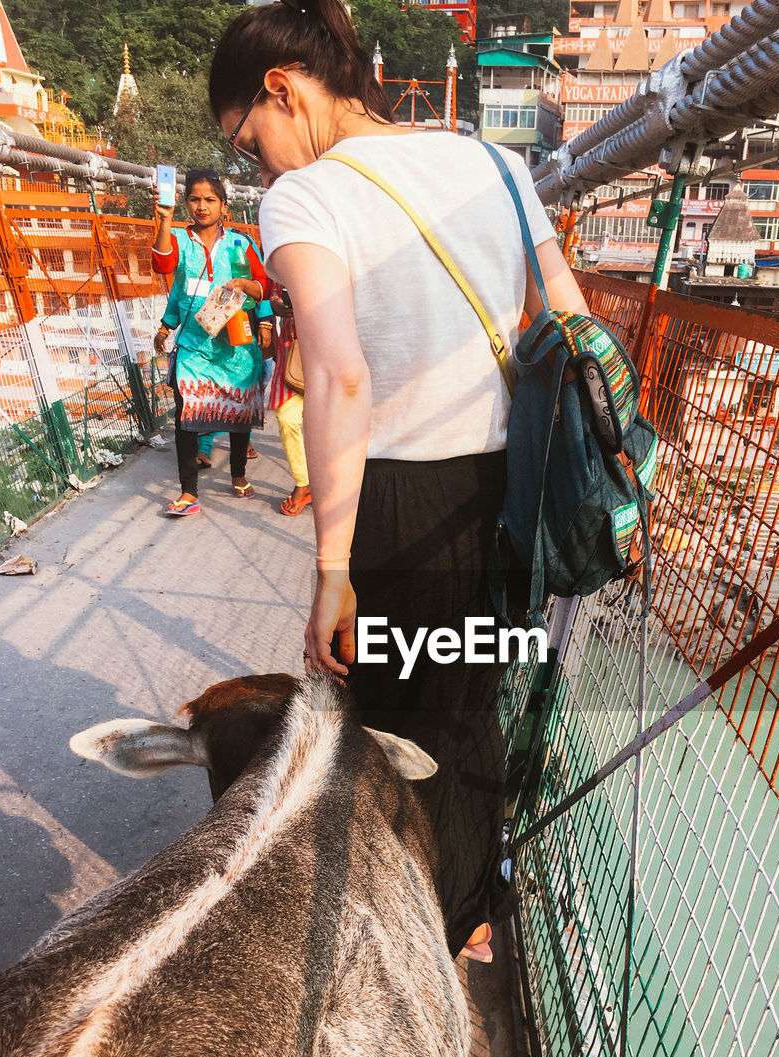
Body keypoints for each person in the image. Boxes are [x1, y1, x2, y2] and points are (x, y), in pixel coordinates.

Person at [209, 0, 589, 959]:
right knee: (469, 708)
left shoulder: (307, 196)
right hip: (508, 496)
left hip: (399, 508)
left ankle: (403, 943)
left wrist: (332, 566)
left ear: (282, 90)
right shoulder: (500, 168)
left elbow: (338, 375)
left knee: (391, 732)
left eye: (249, 141)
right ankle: (470, 918)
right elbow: (570, 319)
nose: (259, 166)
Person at [152, 169, 272, 515]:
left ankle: (238, 473)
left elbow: (263, 286)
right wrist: (165, 327)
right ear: (186, 203)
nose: (201, 207)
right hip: (193, 346)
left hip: (235, 344)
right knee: (187, 416)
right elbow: (165, 270)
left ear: (223, 205)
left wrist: (262, 316)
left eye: (209, 200)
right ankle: (189, 492)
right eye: (194, 199)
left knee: (237, 411)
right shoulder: (178, 239)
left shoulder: (240, 243)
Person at [265, 284, 312, 516]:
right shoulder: (283, 253)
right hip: (293, 352)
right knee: (287, 418)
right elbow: (272, 289)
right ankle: (303, 482)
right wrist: (275, 302)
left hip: (331, 348)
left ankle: (333, 485)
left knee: (330, 426)